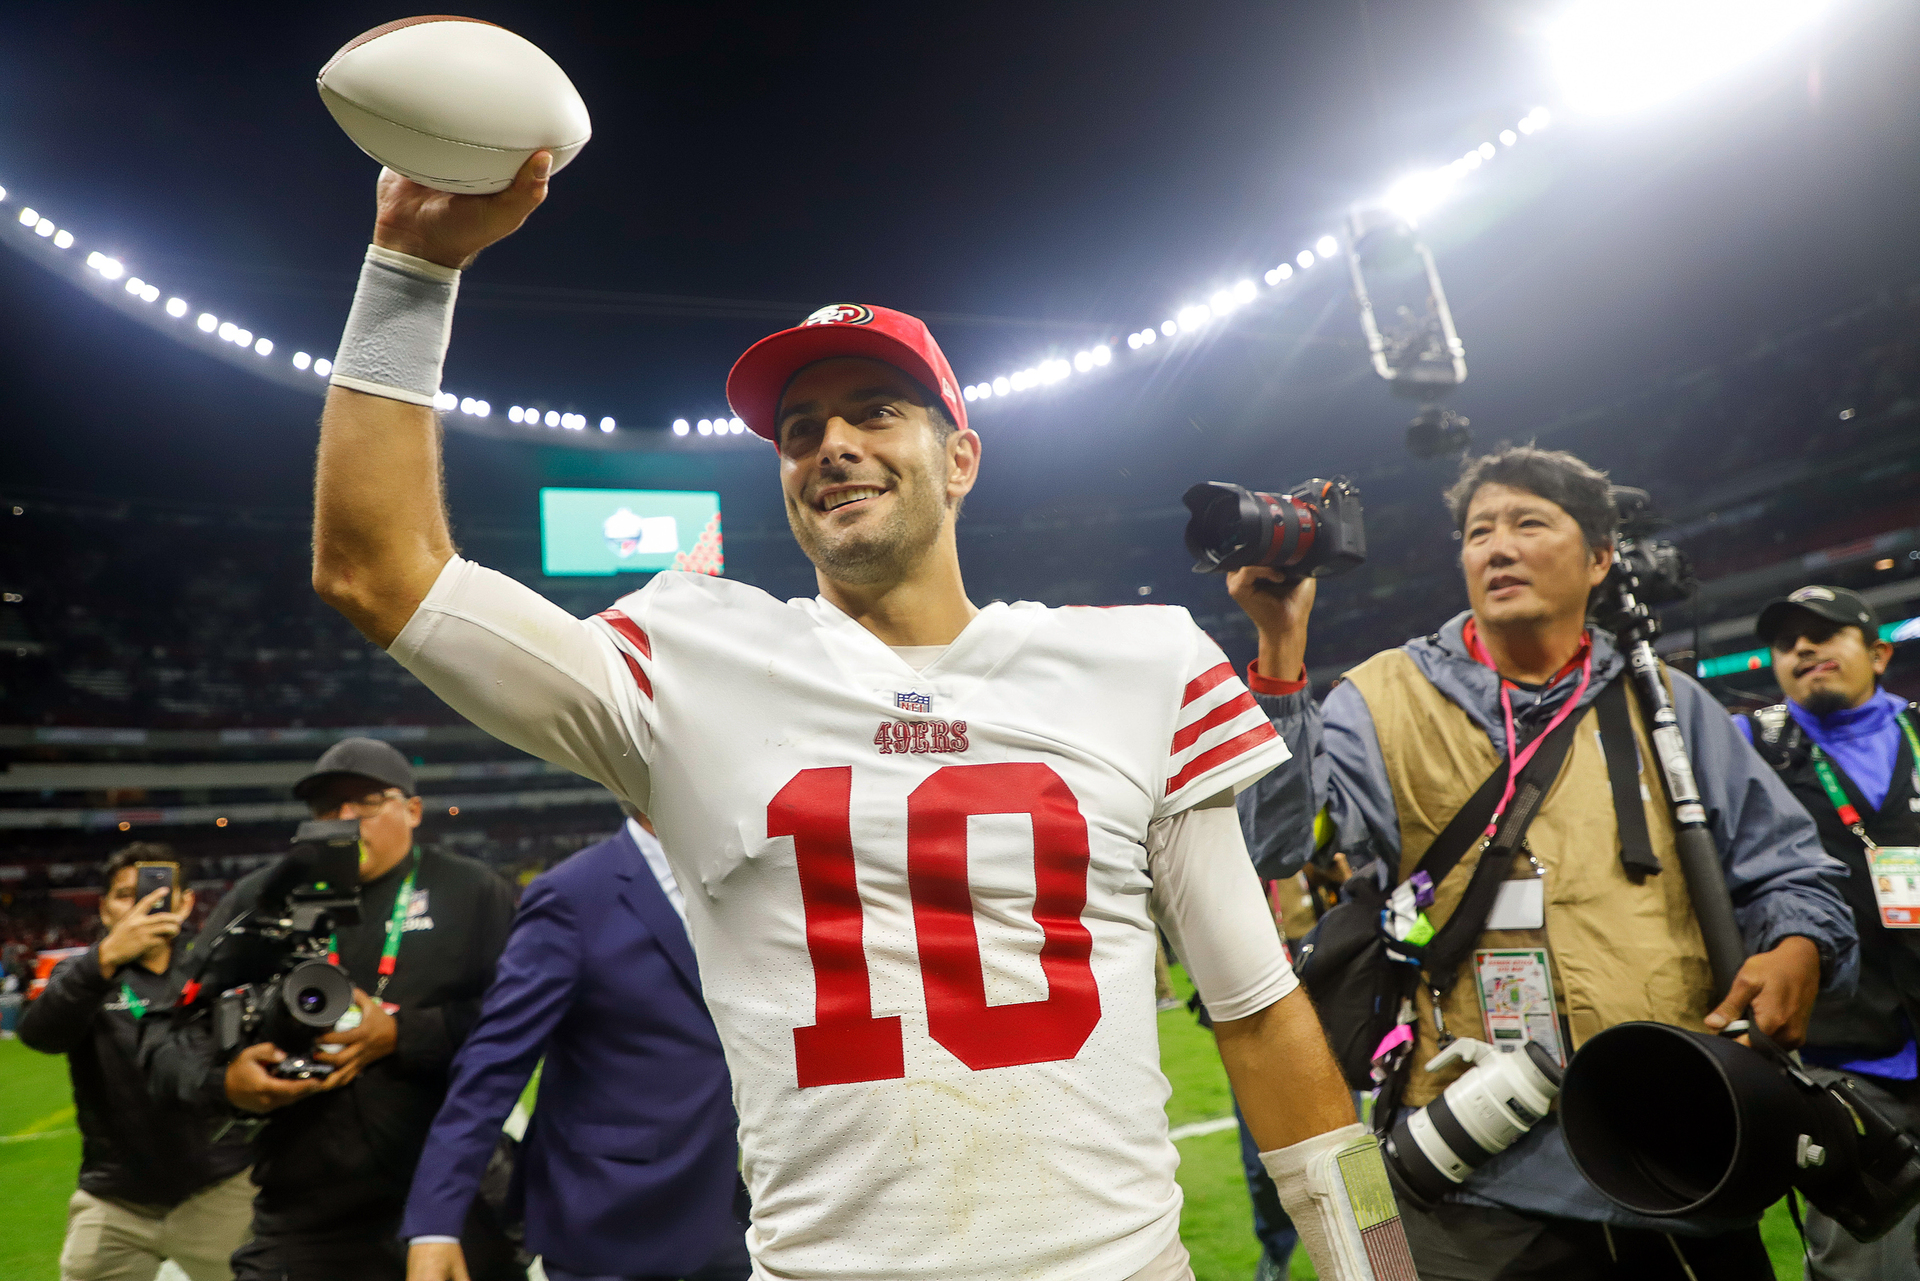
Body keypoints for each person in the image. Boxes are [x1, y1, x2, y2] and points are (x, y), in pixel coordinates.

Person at [301, 153, 1402, 1281]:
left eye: (876, 411)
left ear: (961, 457)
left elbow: (1262, 1014)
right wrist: (411, 269)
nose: (831, 442)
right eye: (799, 429)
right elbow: (379, 571)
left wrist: (1382, 1266)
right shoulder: (690, 656)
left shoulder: (1137, 660)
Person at [1230, 445, 1858, 1279]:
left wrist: (1798, 946)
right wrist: (1280, 648)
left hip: (1673, 1140)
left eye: (1529, 522)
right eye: (1478, 530)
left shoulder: (1667, 703)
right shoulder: (1378, 697)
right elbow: (1274, 845)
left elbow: (1793, 871)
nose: (1498, 545)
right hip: (1472, 1167)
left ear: (1600, 556)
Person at [142, 737, 519, 1281]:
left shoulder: (471, 890)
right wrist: (225, 1083)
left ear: (412, 810)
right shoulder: (262, 898)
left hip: (451, 1199)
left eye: (366, 801)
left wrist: (401, 1033)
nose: (344, 817)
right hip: (305, 1210)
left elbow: (518, 1027)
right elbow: (165, 1038)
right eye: (327, 806)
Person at [403, 807, 748, 1281]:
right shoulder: (575, 895)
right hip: (616, 1221)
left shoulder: (755, 882)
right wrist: (435, 1224)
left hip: (745, 1213)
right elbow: (494, 1063)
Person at [1738, 585, 1920, 1281]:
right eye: (1788, 643)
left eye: (1826, 633)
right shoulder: (1749, 745)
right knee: (1865, 1266)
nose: (1804, 649)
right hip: (1837, 1058)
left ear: (1877, 652)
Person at [20, 842, 255, 1281]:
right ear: (106, 909)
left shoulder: (219, 972)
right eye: (126, 895)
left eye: (158, 893)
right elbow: (40, 1036)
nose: (142, 905)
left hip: (218, 1190)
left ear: (185, 904)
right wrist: (105, 958)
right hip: (115, 1200)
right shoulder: (83, 976)